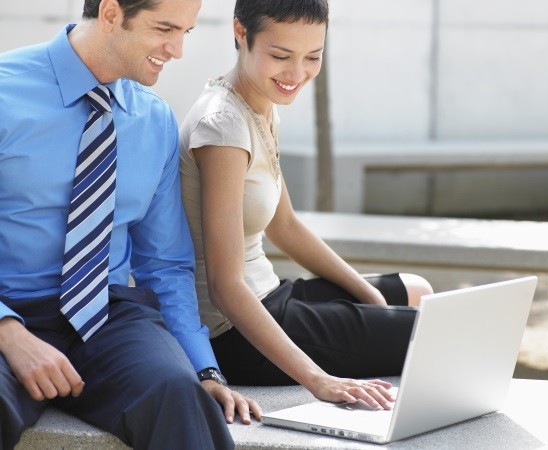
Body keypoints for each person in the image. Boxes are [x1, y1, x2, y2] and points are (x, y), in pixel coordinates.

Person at [0, 0, 261, 448]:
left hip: (107, 312)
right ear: (110, 13)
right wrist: (7, 332)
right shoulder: (6, 93)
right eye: (164, 28)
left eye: (186, 32)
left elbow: (164, 264)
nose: (176, 49)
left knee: (180, 397)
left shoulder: (153, 118)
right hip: (10, 306)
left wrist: (204, 367)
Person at [179, 0, 434, 411]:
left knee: (416, 290)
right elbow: (225, 288)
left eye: (312, 57)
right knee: (435, 335)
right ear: (241, 34)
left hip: (273, 293)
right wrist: (318, 380)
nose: (296, 74)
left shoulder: (259, 105)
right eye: (280, 56)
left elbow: (286, 228)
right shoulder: (222, 127)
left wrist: (370, 296)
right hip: (236, 332)